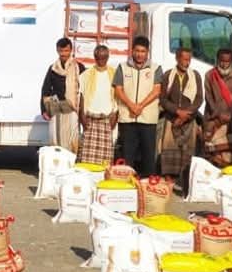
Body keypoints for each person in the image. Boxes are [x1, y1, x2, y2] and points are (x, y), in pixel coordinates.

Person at [112, 35, 162, 175]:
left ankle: (146, 183)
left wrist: (140, 106)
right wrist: (131, 106)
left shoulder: (156, 68)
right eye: (137, 51)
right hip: (128, 119)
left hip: (148, 120)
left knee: (148, 156)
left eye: (143, 51)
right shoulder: (122, 67)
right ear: (132, 51)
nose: (140, 54)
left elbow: (157, 90)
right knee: (127, 156)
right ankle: (127, 182)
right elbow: (118, 89)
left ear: (147, 52)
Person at [159, 47, 203, 187]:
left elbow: (199, 98)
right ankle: (169, 177)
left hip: (189, 118)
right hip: (171, 118)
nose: (187, 62)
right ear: (177, 58)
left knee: (187, 150)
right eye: (184, 59)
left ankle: (185, 179)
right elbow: (163, 99)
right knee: (169, 148)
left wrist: (185, 116)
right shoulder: (168, 75)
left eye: (189, 59)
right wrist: (177, 112)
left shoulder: (195, 76)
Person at [40, 38, 85, 153]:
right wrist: (44, 110)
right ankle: (57, 163)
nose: (64, 54)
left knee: (72, 141)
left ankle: (70, 162)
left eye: (66, 51)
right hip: (56, 110)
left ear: (71, 50)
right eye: (61, 51)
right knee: (56, 140)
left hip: (72, 110)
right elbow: (45, 89)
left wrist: (83, 111)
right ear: (57, 51)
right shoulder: (53, 68)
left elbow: (84, 90)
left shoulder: (79, 68)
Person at [202, 48, 232, 167]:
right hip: (213, 118)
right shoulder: (209, 75)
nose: (224, 64)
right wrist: (218, 115)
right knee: (212, 152)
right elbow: (208, 97)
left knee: (230, 153)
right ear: (217, 60)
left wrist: (229, 113)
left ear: (231, 61)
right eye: (222, 61)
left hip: (231, 119)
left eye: (227, 62)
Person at [77, 45, 117, 165]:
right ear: (94, 57)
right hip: (90, 119)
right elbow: (82, 96)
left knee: (105, 160)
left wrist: (115, 116)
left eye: (103, 58)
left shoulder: (114, 74)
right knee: (87, 158)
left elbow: (117, 98)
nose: (101, 61)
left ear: (108, 57)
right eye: (98, 58)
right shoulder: (86, 75)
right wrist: (82, 117)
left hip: (107, 120)